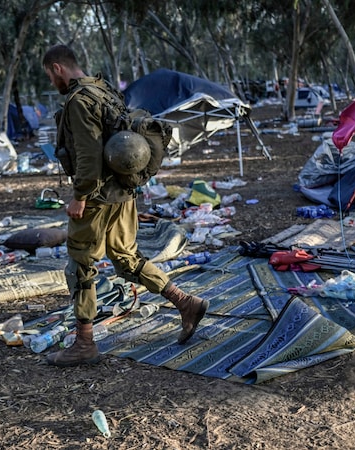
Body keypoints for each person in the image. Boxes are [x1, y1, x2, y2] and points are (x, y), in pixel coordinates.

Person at [41, 44, 209, 367]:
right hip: (122, 193)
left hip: (96, 198)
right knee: (127, 258)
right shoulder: (104, 90)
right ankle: (186, 303)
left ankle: (84, 343)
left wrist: (79, 196)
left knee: (80, 264)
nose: (52, 82)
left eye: (50, 75)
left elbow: (89, 156)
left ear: (57, 68)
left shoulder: (79, 100)